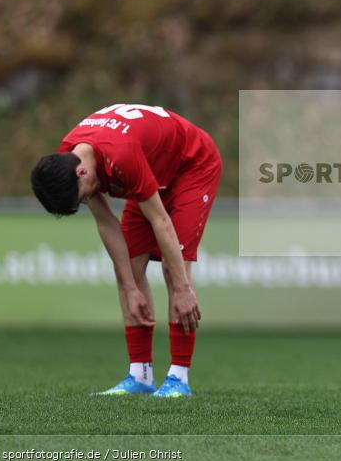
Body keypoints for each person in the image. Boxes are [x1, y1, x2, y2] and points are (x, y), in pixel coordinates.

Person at [30, 103, 222, 397]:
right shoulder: (68, 158)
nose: (86, 201)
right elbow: (107, 223)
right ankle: (140, 376)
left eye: (82, 198)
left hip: (192, 165)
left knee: (175, 270)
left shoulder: (120, 156)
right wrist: (131, 288)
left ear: (82, 172)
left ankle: (179, 378)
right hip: (152, 172)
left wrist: (183, 287)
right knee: (128, 270)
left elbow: (161, 222)